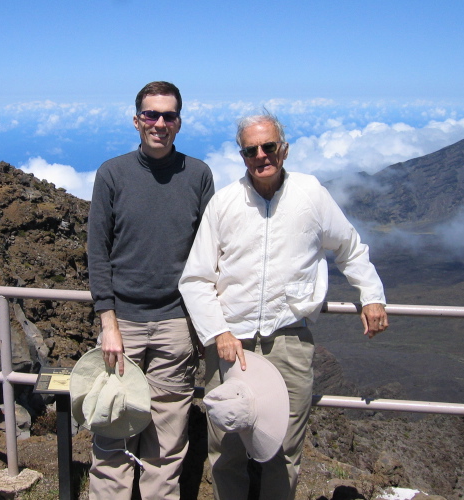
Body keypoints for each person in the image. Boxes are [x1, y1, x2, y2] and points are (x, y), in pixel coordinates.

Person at [178, 111, 388, 500]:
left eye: (268, 146)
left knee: (283, 449)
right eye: (250, 149)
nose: (261, 155)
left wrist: (371, 296)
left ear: (284, 149)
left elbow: (350, 248)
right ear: (242, 155)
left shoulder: (311, 195)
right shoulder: (224, 203)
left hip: (289, 340)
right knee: (227, 449)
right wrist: (218, 332)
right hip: (230, 345)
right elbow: (195, 278)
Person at [86, 81, 214, 499]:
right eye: (151, 115)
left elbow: (211, 251)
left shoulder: (198, 175)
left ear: (179, 121)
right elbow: (97, 251)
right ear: (136, 119)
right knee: (111, 435)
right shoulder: (112, 173)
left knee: (167, 444)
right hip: (121, 325)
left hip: (177, 326)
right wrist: (108, 322)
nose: (159, 123)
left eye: (168, 116)